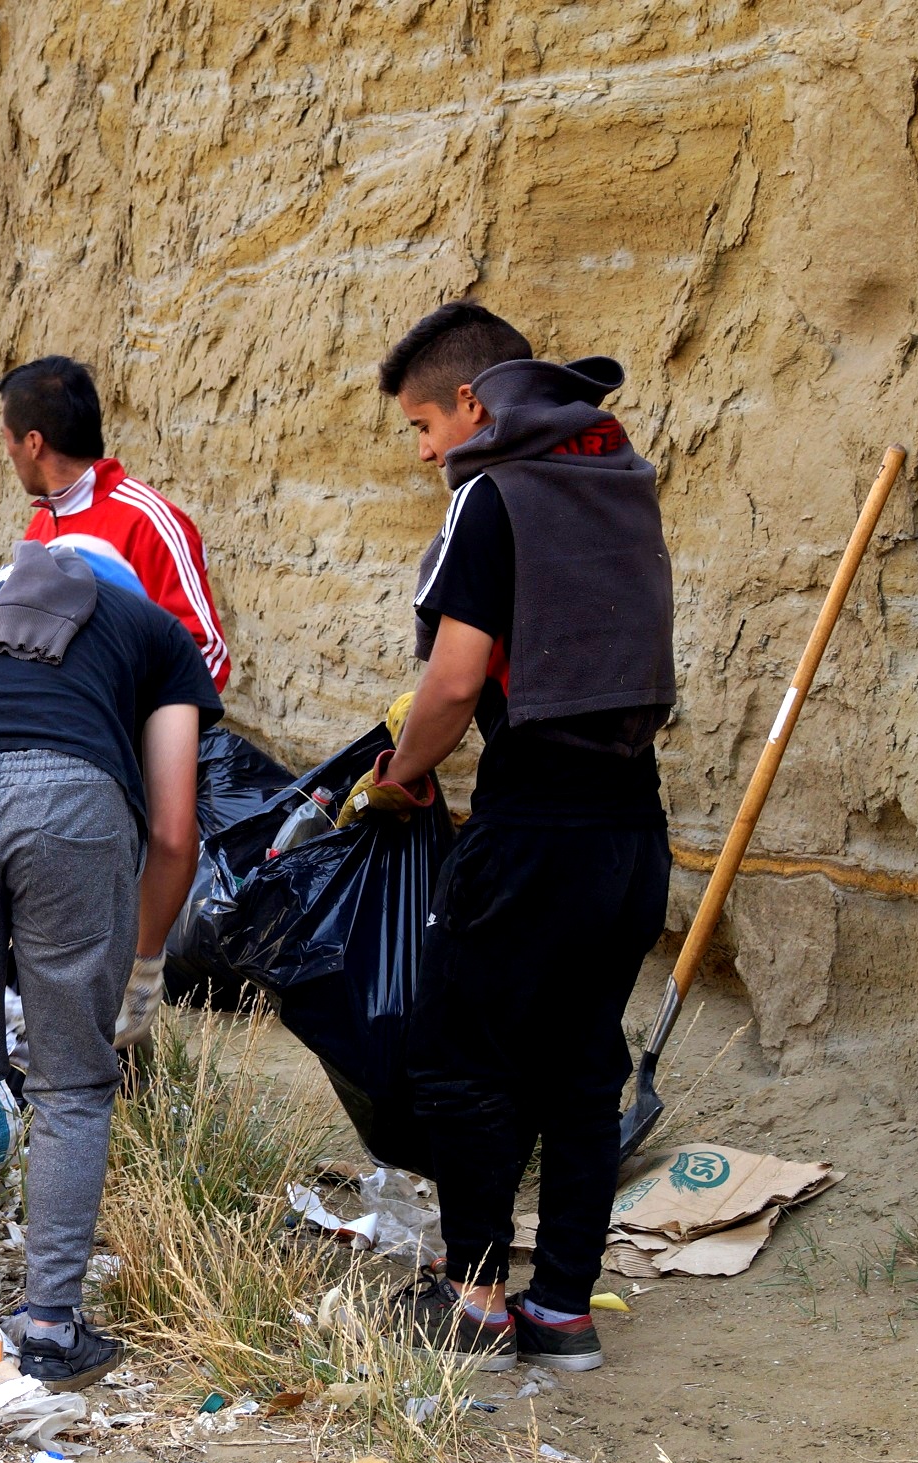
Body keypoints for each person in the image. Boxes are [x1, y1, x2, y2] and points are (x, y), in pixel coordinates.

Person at [344, 301, 675, 1373]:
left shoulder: (494, 496)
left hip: (531, 822)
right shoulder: (617, 479)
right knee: (583, 1067)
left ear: (472, 405)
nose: (426, 451)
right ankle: (564, 1308)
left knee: (462, 1055)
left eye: (422, 426)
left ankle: (475, 1294)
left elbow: (451, 679)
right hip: (632, 828)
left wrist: (401, 775)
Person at [0, 541, 219, 1387]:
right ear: (118, 591)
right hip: (73, 804)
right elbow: (175, 834)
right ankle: (54, 1329)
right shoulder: (151, 628)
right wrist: (141, 966)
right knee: (71, 1080)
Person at [0, 356, 231, 690]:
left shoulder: (150, 522)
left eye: (8, 439)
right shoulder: (41, 527)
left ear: (33, 443)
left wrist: (123, 722)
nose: (8, 453)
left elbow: (207, 654)